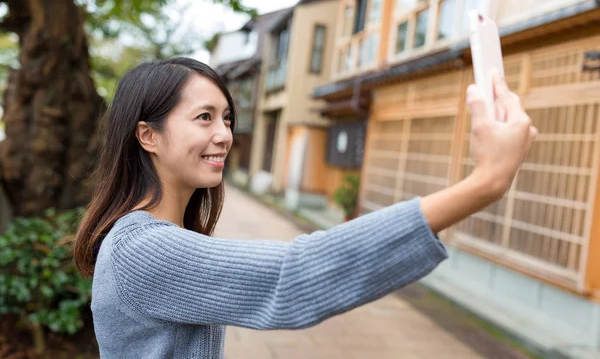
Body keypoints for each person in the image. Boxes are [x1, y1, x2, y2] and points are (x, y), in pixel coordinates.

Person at [72, 57, 537, 358]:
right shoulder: (144, 250)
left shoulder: (154, 237)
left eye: (227, 118)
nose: (224, 134)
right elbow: (294, 275)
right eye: (204, 117)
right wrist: (485, 183)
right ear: (147, 135)